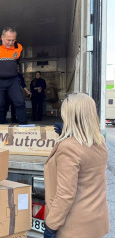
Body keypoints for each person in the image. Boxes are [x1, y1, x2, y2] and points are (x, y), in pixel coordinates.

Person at [44, 93, 109, 238]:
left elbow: (65, 195)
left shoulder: (69, 148)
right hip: (95, 222)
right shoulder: (100, 142)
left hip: (74, 228)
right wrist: (69, 134)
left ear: (70, 117)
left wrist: (51, 226)